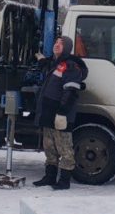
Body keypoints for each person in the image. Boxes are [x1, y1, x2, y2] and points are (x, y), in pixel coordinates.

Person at [31, 35, 88, 191]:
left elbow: (71, 92)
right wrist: (42, 60)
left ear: (67, 48)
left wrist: (63, 113)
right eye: (56, 42)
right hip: (49, 114)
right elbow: (49, 68)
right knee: (49, 148)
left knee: (64, 149)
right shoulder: (55, 64)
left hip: (61, 115)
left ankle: (64, 181)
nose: (56, 45)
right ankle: (49, 177)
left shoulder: (70, 67)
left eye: (61, 44)